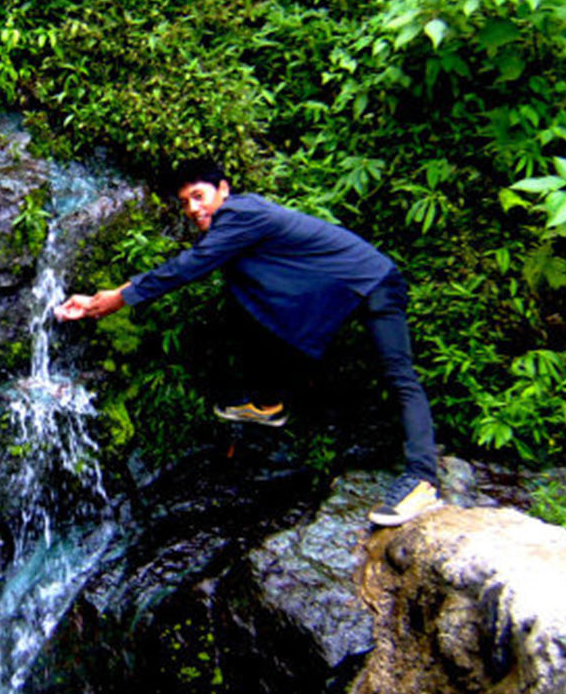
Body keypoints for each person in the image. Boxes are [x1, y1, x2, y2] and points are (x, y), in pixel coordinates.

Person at [55, 158, 441, 526]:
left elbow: (188, 266)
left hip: (375, 282)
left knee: (398, 375)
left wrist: (114, 300)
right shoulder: (236, 226)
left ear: (223, 189)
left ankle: (423, 481)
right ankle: (268, 403)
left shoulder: (241, 214)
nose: (191, 208)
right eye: (185, 202)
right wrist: (103, 297)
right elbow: (194, 261)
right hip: (337, 289)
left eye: (199, 196)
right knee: (244, 293)